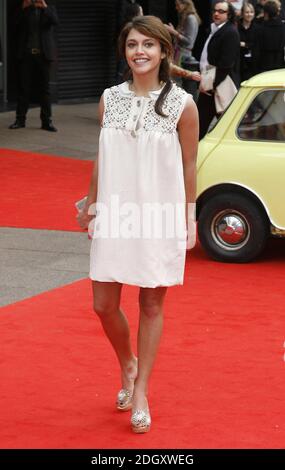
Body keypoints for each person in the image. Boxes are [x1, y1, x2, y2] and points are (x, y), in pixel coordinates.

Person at [77, 15, 199, 434]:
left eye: (148, 44)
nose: (139, 52)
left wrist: (190, 215)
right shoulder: (110, 99)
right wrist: (91, 203)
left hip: (158, 214)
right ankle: (126, 364)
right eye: (132, 45)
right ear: (124, 51)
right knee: (103, 305)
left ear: (164, 51)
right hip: (115, 212)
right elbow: (102, 155)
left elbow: (188, 163)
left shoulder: (182, 104)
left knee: (151, 304)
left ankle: (141, 390)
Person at [9, 0, 59, 132]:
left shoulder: (49, 7)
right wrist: (22, 8)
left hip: (44, 55)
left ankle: (46, 121)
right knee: (24, 88)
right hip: (26, 54)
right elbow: (13, 24)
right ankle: (20, 120)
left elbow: (55, 21)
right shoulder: (24, 8)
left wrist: (45, 7)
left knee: (45, 89)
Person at [197, 1, 240, 139]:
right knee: (204, 123)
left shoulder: (230, 32)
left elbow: (226, 65)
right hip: (211, 79)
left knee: (217, 125)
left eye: (221, 11)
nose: (216, 13)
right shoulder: (216, 29)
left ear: (229, 15)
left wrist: (211, 85)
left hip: (219, 82)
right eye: (215, 10)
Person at [238, 2, 259, 81]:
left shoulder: (257, 28)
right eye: (247, 12)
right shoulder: (236, 27)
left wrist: (246, 44)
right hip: (239, 62)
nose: (249, 14)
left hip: (252, 64)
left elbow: (257, 44)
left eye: (251, 12)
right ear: (242, 13)